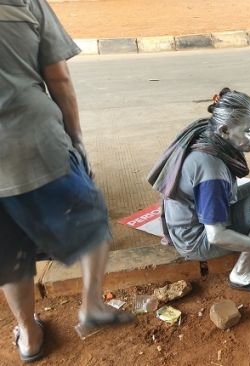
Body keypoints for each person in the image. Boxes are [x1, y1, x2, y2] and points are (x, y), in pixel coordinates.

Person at [0, 0, 134, 361]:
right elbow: (58, 77)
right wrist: (77, 142)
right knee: (93, 223)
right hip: (36, 144)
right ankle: (91, 304)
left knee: (10, 255)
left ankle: (29, 335)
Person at [148, 88, 250, 295]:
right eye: (249, 130)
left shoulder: (207, 131)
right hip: (197, 238)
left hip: (202, 215)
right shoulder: (211, 170)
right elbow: (216, 236)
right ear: (224, 131)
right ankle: (242, 271)